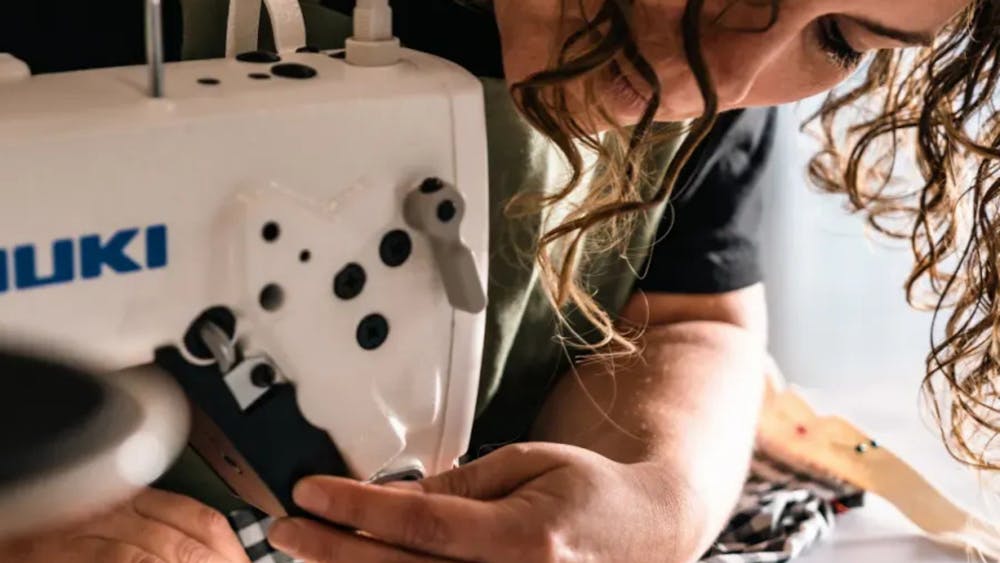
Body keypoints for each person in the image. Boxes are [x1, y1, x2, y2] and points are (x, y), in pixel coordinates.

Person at [0, 0, 991, 561]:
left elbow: (693, 317)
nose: (727, 74)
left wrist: (651, 499)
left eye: (842, 41)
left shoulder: (721, 65)